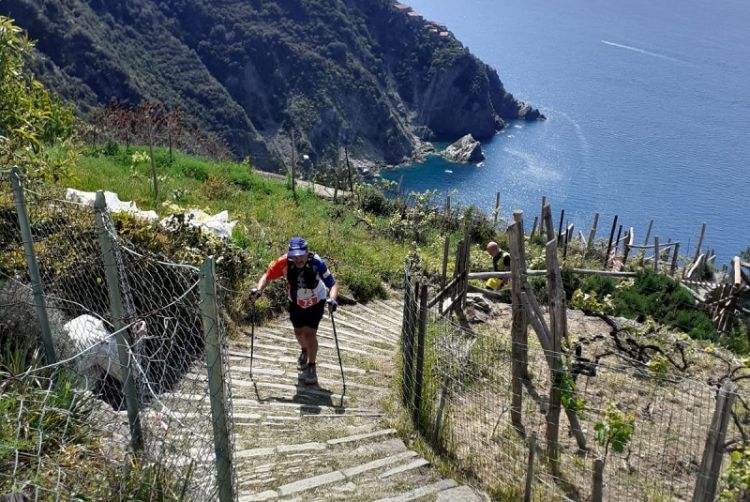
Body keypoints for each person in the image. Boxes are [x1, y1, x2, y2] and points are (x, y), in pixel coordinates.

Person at [250, 237, 338, 385]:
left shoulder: (317, 262)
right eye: (294, 255)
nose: (298, 259)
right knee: (298, 332)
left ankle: (312, 366)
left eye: (301, 254)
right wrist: (258, 290)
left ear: (307, 252)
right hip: (296, 301)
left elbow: (333, 284)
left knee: (310, 333)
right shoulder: (283, 262)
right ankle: (304, 350)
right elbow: (267, 275)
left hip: (316, 300)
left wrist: (332, 299)